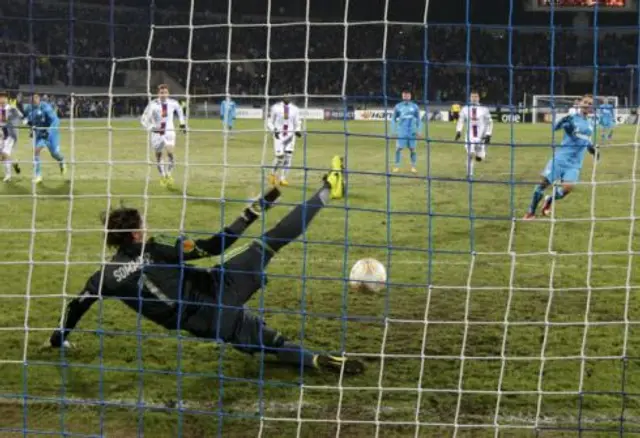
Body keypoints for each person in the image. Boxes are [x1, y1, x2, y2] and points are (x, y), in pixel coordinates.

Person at [49, 156, 362, 374]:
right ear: (135, 233)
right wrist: (252, 212)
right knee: (272, 240)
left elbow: (77, 306)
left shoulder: (103, 278)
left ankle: (315, 360)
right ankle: (326, 189)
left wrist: (58, 338)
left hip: (206, 321)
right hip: (221, 283)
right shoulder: (157, 248)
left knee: (264, 343)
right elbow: (216, 245)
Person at [523, 94, 598, 220]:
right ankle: (531, 212)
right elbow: (555, 128)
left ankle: (549, 200)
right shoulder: (572, 118)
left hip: (575, 163)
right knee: (543, 184)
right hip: (561, 159)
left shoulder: (590, 123)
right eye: (585, 102)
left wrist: (592, 149)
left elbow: (586, 140)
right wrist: (563, 121)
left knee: (568, 188)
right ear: (580, 103)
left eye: (590, 104)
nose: (587, 105)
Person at [141, 84, 187, 187]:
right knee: (158, 156)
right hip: (156, 133)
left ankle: (169, 175)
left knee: (170, 153)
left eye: (165, 92)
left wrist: (182, 124)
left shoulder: (173, 103)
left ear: (168, 93)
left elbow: (180, 111)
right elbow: (143, 119)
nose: (163, 94)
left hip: (169, 132)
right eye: (161, 93)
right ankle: (162, 176)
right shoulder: (152, 104)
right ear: (158, 93)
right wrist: (151, 128)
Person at [24, 93, 66, 184]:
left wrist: (49, 131)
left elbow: (56, 120)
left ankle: (62, 160)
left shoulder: (46, 108)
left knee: (55, 154)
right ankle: (38, 176)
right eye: (31, 101)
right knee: (36, 151)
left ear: (39, 99)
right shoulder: (29, 108)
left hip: (51, 134)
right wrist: (29, 125)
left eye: (35, 100)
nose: (33, 103)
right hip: (39, 135)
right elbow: (29, 120)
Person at [455, 90, 493, 178]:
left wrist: (488, 134)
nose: (474, 98)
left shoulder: (484, 109)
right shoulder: (465, 109)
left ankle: (480, 154)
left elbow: (490, 122)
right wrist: (458, 131)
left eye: (476, 96)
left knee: (480, 157)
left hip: (481, 136)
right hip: (470, 136)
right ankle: (469, 175)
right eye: (472, 96)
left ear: (479, 98)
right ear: (470, 98)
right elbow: (461, 120)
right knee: (470, 155)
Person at [268, 95, 302, 187]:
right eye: (285, 95)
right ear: (282, 96)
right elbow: (269, 121)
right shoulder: (275, 107)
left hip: (290, 135)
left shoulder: (295, 109)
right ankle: (272, 174)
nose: (287, 96)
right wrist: (273, 129)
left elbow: (298, 122)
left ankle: (283, 178)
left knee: (288, 157)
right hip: (279, 135)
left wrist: (298, 130)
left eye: (289, 95)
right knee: (280, 157)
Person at [391, 89, 421, 174]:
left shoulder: (415, 106)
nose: (406, 96)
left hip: (412, 132)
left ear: (410, 96)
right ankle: (396, 167)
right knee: (398, 149)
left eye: (407, 95)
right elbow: (393, 119)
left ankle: (413, 167)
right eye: (404, 94)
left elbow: (419, 119)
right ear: (402, 95)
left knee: (413, 149)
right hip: (401, 132)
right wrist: (393, 131)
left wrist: (419, 130)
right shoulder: (398, 106)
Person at [0, 91, 23, 182]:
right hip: (2, 135)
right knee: (2, 156)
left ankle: (8, 176)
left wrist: (15, 111)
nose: (1, 99)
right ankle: (14, 163)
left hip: (10, 135)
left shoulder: (10, 108)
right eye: (0, 97)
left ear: (7, 99)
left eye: (3, 97)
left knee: (5, 153)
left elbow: (21, 116)